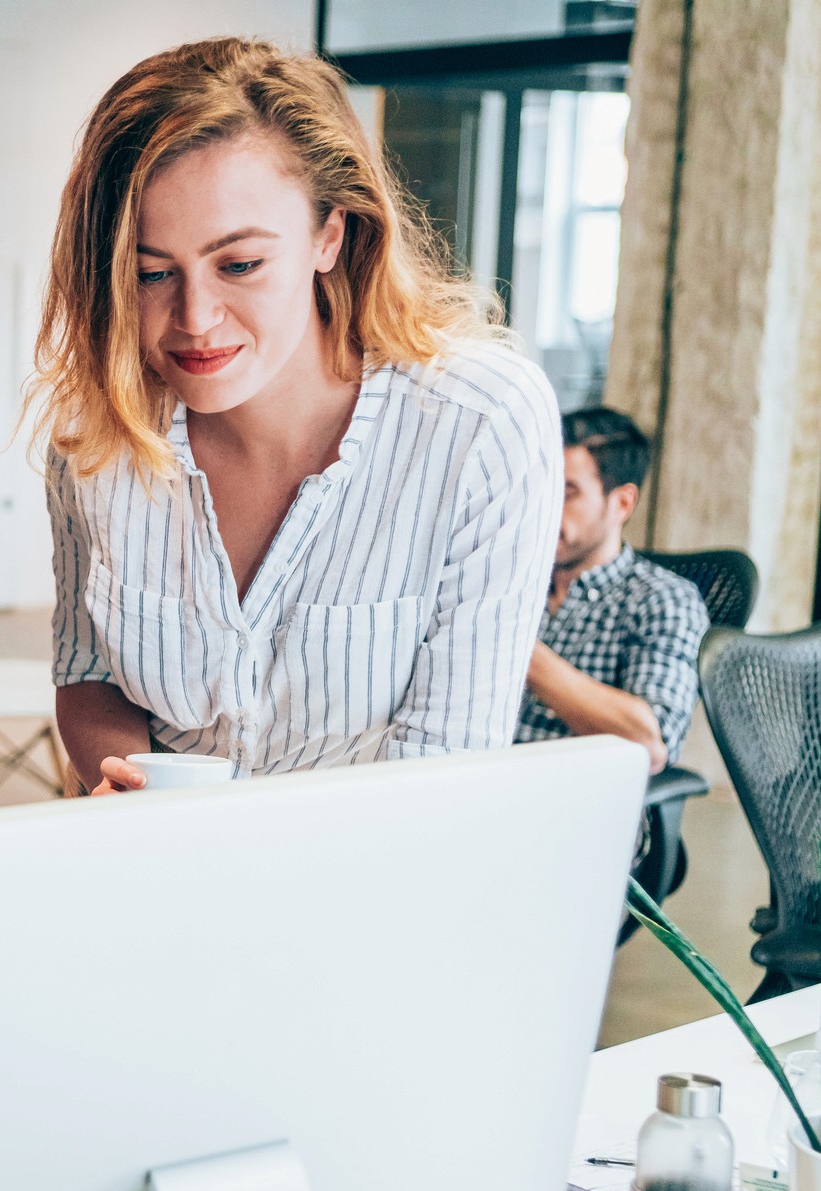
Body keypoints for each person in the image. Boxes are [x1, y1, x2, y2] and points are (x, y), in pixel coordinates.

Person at [37, 37, 562, 792]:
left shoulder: (479, 423)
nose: (194, 318)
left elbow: (447, 760)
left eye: (240, 264)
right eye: (150, 273)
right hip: (165, 874)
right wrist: (123, 788)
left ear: (329, 233)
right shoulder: (96, 435)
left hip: (376, 885)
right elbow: (89, 671)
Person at [516, 407, 708, 775]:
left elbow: (651, 743)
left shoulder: (662, 599)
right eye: (543, 487)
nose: (546, 508)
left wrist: (521, 650)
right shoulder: (518, 582)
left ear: (622, 503)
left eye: (568, 492)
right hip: (479, 789)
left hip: (575, 807)